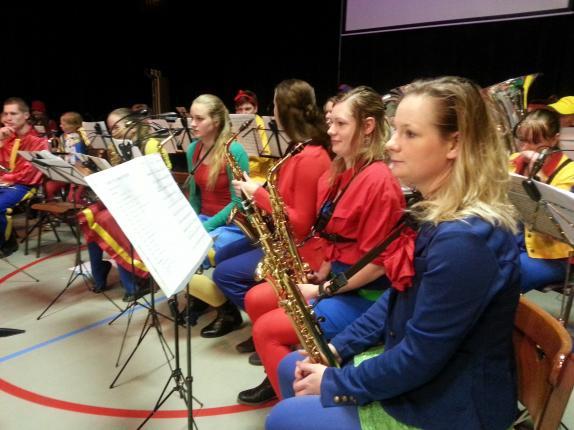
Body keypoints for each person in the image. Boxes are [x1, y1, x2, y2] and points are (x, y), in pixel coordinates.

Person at [266, 76, 521, 430]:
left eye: (409, 134)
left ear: (454, 143)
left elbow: (420, 357)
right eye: (395, 130)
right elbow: (397, 296)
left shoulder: (465, 241)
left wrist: (337, 382)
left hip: (451, 405)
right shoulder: (438, 213)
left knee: (284, 418)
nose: (390, 144)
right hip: (430, 373)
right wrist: (337, 348)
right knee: (288, 368)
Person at [238, 86, 414, 405]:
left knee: (265, 330)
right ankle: (284, 379)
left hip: (365, 297)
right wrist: (322, 271)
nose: (330, 130)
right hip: (339, 282)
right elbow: (335, 233)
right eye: (330, 122)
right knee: (261, 304)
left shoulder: (378, 181)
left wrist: (322, 289)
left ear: (368, 127)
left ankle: (296, 410)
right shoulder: (343, 169)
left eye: (340, 124)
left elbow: (377, 265)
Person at [199, 79, 332, 341]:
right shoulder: (298, 149)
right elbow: (287, 198)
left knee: (224, 274)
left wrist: (257, 194)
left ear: (283, 111)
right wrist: (258, 191)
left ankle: (267, 326)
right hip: (283, 237)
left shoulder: (310, 157)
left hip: (299, 248)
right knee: (223, 255)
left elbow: (301, 224)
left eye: (275, 105)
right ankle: (263, 319)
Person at [78, 107, 172, 302]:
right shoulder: (116, 146)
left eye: (115, 127)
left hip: (151, 202)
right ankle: (99, 274)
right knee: (89, 214)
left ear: (132, 125)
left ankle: (135, 282)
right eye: (110, 128)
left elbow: (163, 181)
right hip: (128, 198)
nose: (112, 133)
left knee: (108, 220)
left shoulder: (150, 144)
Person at [509, 108, 574, 292]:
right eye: (523, 140)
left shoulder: (569, 173)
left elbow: (557, 227)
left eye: (536, 142)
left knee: (507, 278)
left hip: (552, 255)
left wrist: (538, 177)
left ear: (554, 140)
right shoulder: (513, 161)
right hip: (514, 240)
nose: (526, 149)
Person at [0, 97, 49, 254]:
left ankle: (6, 243)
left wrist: (4, 179)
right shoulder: (6, 135)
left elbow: (28, 175)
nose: (8, 118)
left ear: (26, 115)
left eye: (13, 113)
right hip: (4, 182)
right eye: (5, 114)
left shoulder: (38, 140)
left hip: (24, 185)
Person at [44, 112, 88, 202]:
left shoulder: (82, 136)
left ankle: (81, 206)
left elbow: (88, 148)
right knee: (49, 187)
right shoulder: (63, 137)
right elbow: (60, 153)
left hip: (80, 171)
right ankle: (55, 207)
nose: (60, 126)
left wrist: (81, 129)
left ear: (74, 125)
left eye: (63, 124)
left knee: (73, 198)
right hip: (66, 169)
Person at [233, 89, 272, 184]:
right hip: (238, 175)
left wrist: (245, 149)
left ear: (255, 109)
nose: (243, 113)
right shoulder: (233, 127)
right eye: (240, 109)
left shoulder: (263, 126)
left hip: (259, 177)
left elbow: (266, 157)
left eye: (247, 109)